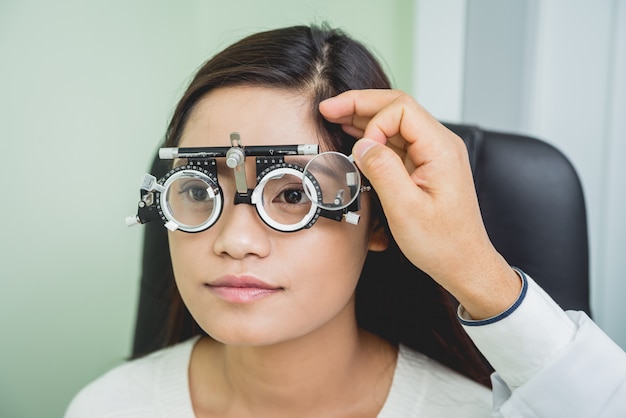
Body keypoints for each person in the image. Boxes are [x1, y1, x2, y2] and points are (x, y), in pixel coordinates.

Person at [66, 24, 626, 417]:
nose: (235, 241)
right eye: (198, 190)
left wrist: (475, 269)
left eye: (292, 195)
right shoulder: (108, 408)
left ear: (379, 220)